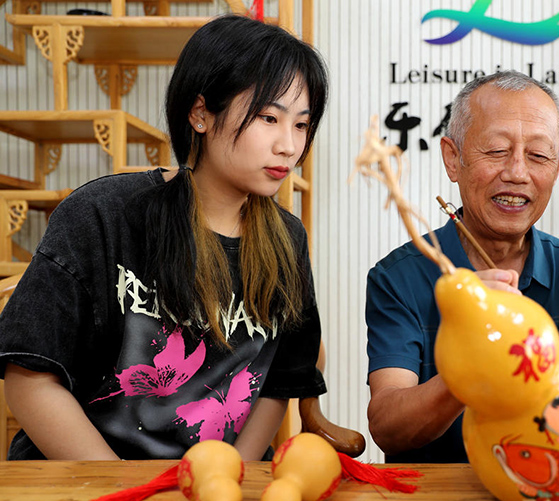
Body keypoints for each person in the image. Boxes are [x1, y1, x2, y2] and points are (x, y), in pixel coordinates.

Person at [0, 14, 329, 461]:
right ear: (200, 114)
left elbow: (278, 384)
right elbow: (30, 377)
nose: (288, 146)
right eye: (269, 117)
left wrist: (230, 476)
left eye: (301, 125)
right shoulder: (104, 215)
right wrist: (121, 492)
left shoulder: (287, 240)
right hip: (86, 483)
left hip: (211, 485)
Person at [366, 71, 559, 465]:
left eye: (538, 155)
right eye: (497, 150)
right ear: (453, 158)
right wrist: (469, 363)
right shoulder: (399, 277)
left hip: (538, 489)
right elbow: (387, 428)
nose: (517, 172)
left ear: (557, 164)